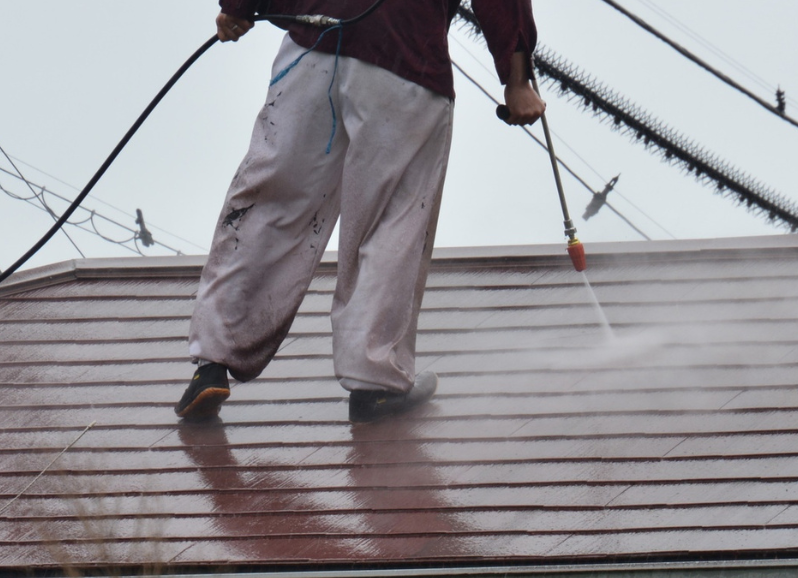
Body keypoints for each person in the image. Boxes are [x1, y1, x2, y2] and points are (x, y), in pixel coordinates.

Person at [176, 0, 544, 424]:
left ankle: (212, 364)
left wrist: (239, 5)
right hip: (403, 53)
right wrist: (517, 80)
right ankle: (374, 383)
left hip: (311, 44)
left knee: (271, 202)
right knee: (391, 220)